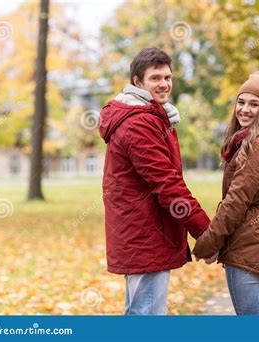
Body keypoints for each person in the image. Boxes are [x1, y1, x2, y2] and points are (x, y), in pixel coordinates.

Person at [98, 47, 210, 315]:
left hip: (144, 232)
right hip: (145, 234)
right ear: (138, 82)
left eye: (167, 77)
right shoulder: (138, 124)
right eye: (155, 78)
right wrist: (205, 231)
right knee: (147, 315)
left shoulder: (153, 116)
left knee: (142, 311)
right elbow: (167, 185)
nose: (164, 84)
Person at [193, 71, 259, 315]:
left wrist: (208, 243)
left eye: (254, 104)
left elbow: (235, 202)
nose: (245, 110)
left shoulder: (256, 146)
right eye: (241, 102)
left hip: (247, 245)